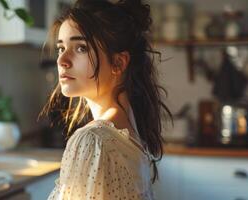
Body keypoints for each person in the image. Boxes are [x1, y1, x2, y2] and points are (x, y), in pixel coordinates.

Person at [40, 0, 172, 199]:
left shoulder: (93, 142)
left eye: (81, 48)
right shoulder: (130, 133)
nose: (62, 60)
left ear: (118, 63)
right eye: (61, 48)